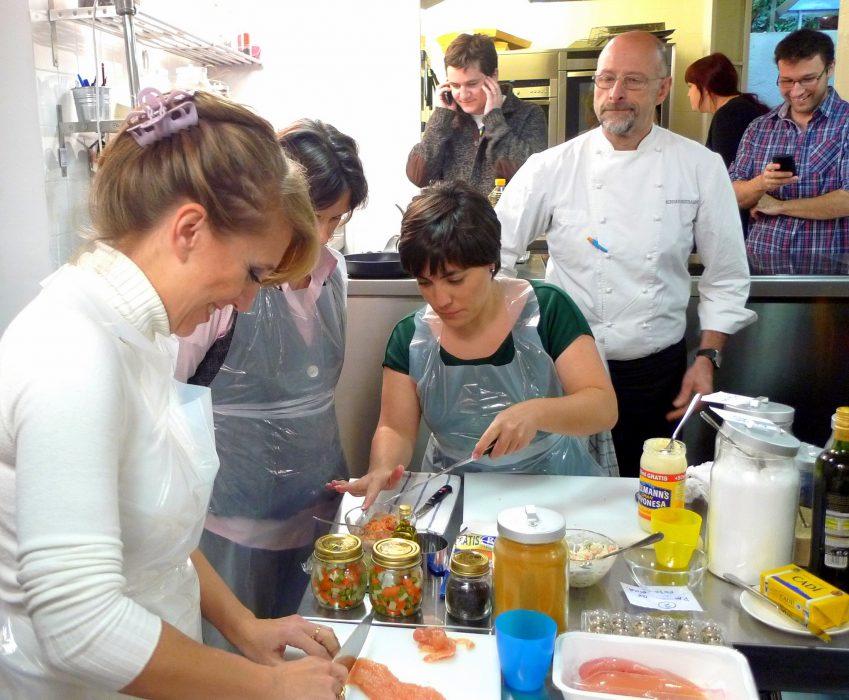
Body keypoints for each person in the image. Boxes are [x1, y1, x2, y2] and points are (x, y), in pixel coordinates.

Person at [0, 89, 348, 699]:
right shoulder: (72, 351)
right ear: (189, 229)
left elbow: (161, 542)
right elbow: (78, 625)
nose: (246, 302)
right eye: (251, 274)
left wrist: (245, 627)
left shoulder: (144, 334)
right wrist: (268, 688)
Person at [497, 32, 756, 477]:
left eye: (633, 81)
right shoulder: (551, 166)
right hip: (562, 371)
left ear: (662, 89)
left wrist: (707, 357)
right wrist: (512, 344)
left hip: (655, 374)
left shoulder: (699, 167)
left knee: (646, 495)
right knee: (562, 491)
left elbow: (727, 275)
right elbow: (495, 253)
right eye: (606, 80)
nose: (615, 94)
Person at [175, 119, 368, 644]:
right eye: (316, 216)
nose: (323, 234)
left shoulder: (335, 273)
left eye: (337, 218)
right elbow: (163, 401)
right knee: (238, 663)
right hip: (230, 524)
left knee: (310, 657)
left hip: (319, 511)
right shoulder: (226, 289)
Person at [329, 180, 618, 509]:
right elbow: (395, 427)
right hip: (452, 492)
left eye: (455, 279)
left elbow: (602, 407)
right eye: (425, 282)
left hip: (552, 486)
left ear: (490, 262)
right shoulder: (411, 337)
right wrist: (381, 468)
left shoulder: (547, 308)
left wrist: (536, 413)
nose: (441, 298)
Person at [729, 28, 849, 274]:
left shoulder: (845, 124)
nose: (796, 91)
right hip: (760, 268)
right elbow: (731, 194)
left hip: (830, 276)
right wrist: (761, 183)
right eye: (786, 81)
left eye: (807, 79)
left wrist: (780, 206)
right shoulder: (760, 127)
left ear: (830, 68)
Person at [406, 32, 548, 196]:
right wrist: (440, 118)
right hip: (454, 221)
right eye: (455, 85)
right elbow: (418, 176)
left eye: (472, 84)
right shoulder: (446, 119)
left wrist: (494, 119)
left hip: (505, 221)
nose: (463, 94)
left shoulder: (529, 114)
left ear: (493, 76)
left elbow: (533, 177)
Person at [684, 52, 770, 237]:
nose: (688, 93)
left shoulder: (729, 116)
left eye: (690, 86)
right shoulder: (741, 107)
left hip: (743, 222)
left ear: (705, 87)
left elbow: (726, 178)